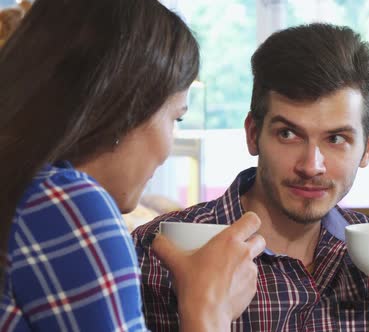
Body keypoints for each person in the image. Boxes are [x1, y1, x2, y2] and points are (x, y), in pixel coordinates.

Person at [133, 23, 369, 331]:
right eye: (289, 134)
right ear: (253, 133)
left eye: (336, 139)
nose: (311, 165)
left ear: (368, 148)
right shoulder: (157, 251)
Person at [0, 0, 264, 331]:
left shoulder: (22, 190)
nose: (170, 144)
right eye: (175, 117)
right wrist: (209, 307)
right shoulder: (67, 203)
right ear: (125, 110)